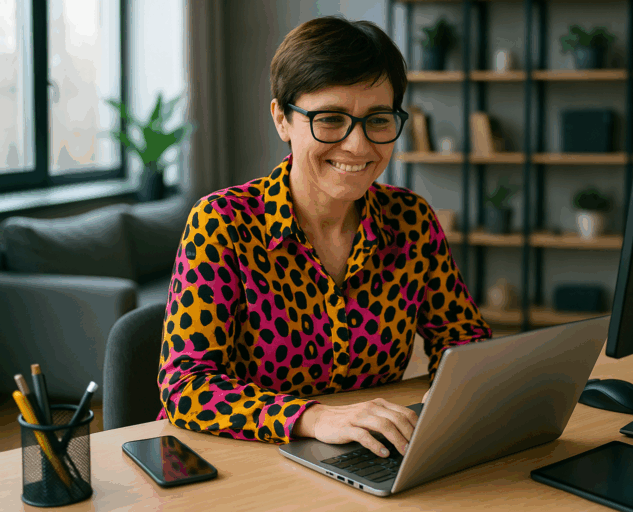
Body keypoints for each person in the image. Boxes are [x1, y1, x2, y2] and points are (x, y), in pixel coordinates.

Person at [156, 15, 492, 460]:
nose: (358, 145)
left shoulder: (410, 220)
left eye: (378, 119)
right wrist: (314, 419)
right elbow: (186, 386)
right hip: (239, 461)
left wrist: (450, 396)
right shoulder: (222, 222)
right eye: (331, 119)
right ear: (282, 118)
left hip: (367, 458)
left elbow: (463, 338)